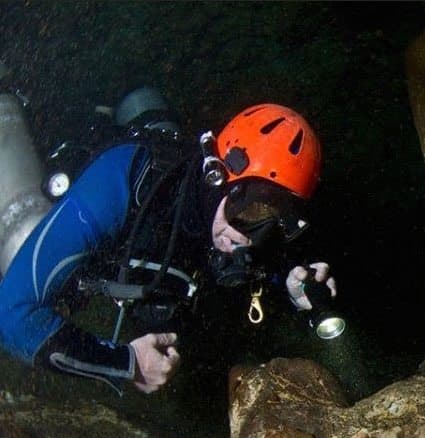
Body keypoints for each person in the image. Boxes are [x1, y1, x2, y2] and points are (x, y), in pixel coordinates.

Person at [0, 86, 336, 394]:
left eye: (274, 222)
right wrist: (126, 363)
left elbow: (266, 265)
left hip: (146, 285)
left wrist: (290, 286)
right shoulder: (122, 179)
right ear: (216, 175)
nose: (248, 240)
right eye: (251, 210)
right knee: (21, 246)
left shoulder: (240, 229)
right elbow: (12, 314)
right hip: (81, 243)